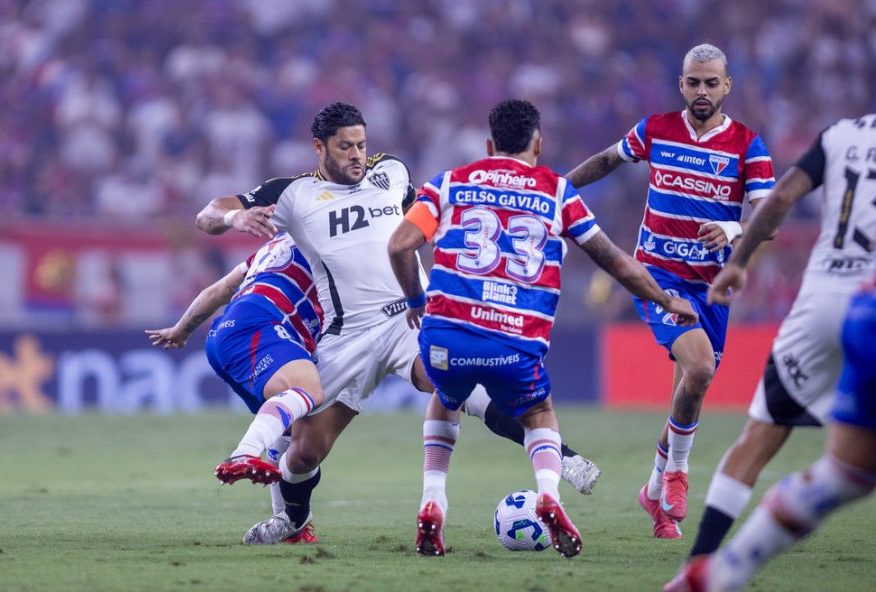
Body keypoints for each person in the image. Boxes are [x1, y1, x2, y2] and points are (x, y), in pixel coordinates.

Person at [195, 102, 601, 545]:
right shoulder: (293, 194)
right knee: (305, 451)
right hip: (346, 336)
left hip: (410, 318)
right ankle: (290, 520)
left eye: (361, 144)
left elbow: (431, 221)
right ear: (319, 147)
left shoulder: (392, 172)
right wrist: (235, 216)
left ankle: (564, 457)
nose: (356, 154)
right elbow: (210, 213)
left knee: (461, 388)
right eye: (345, 146)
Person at [388, 99, 698, 558]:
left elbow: (399, 245)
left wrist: (416, 300)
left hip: (446, 335)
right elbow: (613, 261)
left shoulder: (449, 183)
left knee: (444, 396)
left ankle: (433, 499)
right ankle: (549, 493)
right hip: (515, 340)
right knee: (538, 413)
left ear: (490, 145)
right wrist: (667, 299)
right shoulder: (557, 192)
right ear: (539, 143)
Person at [565, 43, 775, 538]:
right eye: (693, 82)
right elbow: (607, 160)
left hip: (713, 287)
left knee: (690, 389)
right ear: (681, 85)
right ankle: (677, 475)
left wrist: (733, 229)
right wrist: (553, 191)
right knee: (699, 368)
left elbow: (768, 220)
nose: (701, 91)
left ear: (727, 86)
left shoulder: (748, 145)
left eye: (711, 82)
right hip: (657, 278)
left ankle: (653, 494)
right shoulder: (656, 129)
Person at [663, 114, 876, 590]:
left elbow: (780, 197)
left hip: (823, 304)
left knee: (762, 439)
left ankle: (699, 567)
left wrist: (738, 264)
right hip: (870, 295)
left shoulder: (842, 134)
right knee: (850, 470)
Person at [664, 282, 876, 592]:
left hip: (828, 313)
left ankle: (708, 568)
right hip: (859, 303)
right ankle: (710, 566)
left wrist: (739, 258)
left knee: (838, 468)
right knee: (847, 470)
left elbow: (768, 229)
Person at [146, 231, 325, 543]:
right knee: (308, 390)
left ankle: (285, 525)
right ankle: (244, 453)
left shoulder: (274, 246)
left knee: (288, 424)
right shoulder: (327, 238)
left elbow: (220, 289)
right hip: (260, 326)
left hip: (224, 335)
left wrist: (181, 330)